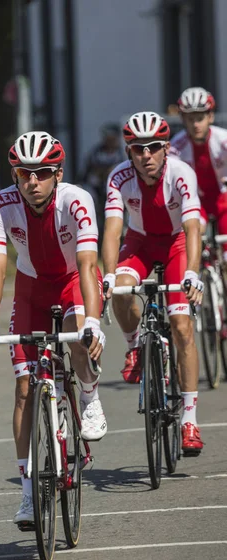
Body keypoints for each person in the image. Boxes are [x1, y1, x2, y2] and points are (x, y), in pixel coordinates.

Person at [0, 131, 106, 526]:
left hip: (71, 281)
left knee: (76, 331)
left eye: (43, 172)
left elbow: (86, 267)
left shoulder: (77, 200)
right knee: (24, 389)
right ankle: (29, 494)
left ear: (58, 173)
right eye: (24, 173)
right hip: (30, 287)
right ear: (14, 175)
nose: (33, 181)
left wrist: (94, 325)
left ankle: (89, 393)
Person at [101, 111, 204, 455]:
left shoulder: (181, 173)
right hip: (141, 242)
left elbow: (192, 229)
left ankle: (189, 419)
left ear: (165, 148)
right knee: (119, 288)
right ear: (128, 151)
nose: (146, 156)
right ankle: (134, 346)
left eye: (154, 147)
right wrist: (109, 272)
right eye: (137, 149)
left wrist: (192, 271)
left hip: (176, 243)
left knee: (181, 325)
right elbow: (114, 230)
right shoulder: (118, 177)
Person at [170, 87, 227, 261]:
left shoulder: (223, 139)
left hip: (223, 201)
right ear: (183, 119)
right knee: (194, 237)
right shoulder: (175, 147)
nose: (195, 124)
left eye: (200, 118)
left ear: (210, 117)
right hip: (196, 203)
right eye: (190, 119)